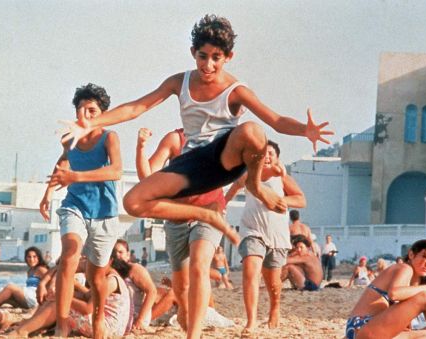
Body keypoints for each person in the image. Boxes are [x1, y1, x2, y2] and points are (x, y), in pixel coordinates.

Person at [60, 14, 332, 249]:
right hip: (192, 163)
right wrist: (92, 123)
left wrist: (304, 130)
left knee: (253, 130)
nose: (208, 65)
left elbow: (275, 120)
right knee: (133, 202)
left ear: (228, 57)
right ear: (193, 52)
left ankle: (255, 184)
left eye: (216, 58)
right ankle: (205, 215)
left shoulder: (236, 90)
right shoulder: (180, 82)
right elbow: (137, 107)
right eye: (203, 56)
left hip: (226, 155)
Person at [39, 83, 123, 338]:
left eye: (92, 110)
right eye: (81, 109)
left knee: (96, 276)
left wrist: (76, 176)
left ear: (103, 113)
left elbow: (116, 171)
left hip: (105, 214)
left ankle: (98, 321)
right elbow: (63, 161)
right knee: (69, 254)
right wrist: (48, 193)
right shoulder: (69, 137)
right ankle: (61, 323)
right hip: (74, 206)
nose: (85, 115)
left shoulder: (110, 137)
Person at [135, 126, 229, 334]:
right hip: (177, 219)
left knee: (200, 265)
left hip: (209, 214)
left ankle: (194, 334)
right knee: (182, 287)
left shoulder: (221, 138)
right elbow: (148, 178)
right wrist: (141, 148)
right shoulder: (175, 139)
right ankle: (185, 313)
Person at [225, 140, 306, 333]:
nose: (267, 156)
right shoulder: (249, 175)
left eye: (271, 153)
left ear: (277, 158)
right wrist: (221, 205)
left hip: (277, 236)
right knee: (250, 272)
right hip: (252, 230)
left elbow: (301, 199)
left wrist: (280, 200)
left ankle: (274, 307)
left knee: (273, 283)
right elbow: (234, 188)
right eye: (264, 153)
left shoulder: (281, 178)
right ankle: (251, 321)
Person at [346, 239, 426, 339]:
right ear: (411, 254)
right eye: (424, 256)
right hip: (362, 327)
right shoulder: (404, 268)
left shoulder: (410, 280)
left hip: (364, 330)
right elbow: (394, 293)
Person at [9, 257, 130, 337]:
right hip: (109, 325)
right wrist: (64, 292)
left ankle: (23, 331)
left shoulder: (110, 281)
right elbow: (87, 296)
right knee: (59, 298)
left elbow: (88, 308)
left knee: (60, 303)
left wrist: (61, 297)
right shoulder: (108, 278)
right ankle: (31, 325)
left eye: (91, 262)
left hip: (107, 328)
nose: (88, 265)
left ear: (109, 261)